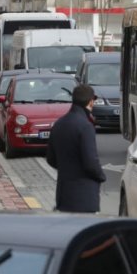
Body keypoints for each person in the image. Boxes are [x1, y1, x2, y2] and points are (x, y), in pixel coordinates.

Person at [46, 84, 106, 213]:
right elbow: (91, 162)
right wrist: (101, 176)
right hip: (84, 196)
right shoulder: (86, 126)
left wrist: (66, 167)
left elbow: (50, 158)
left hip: (63, 195)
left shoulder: (59, 124)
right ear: (90, 102)